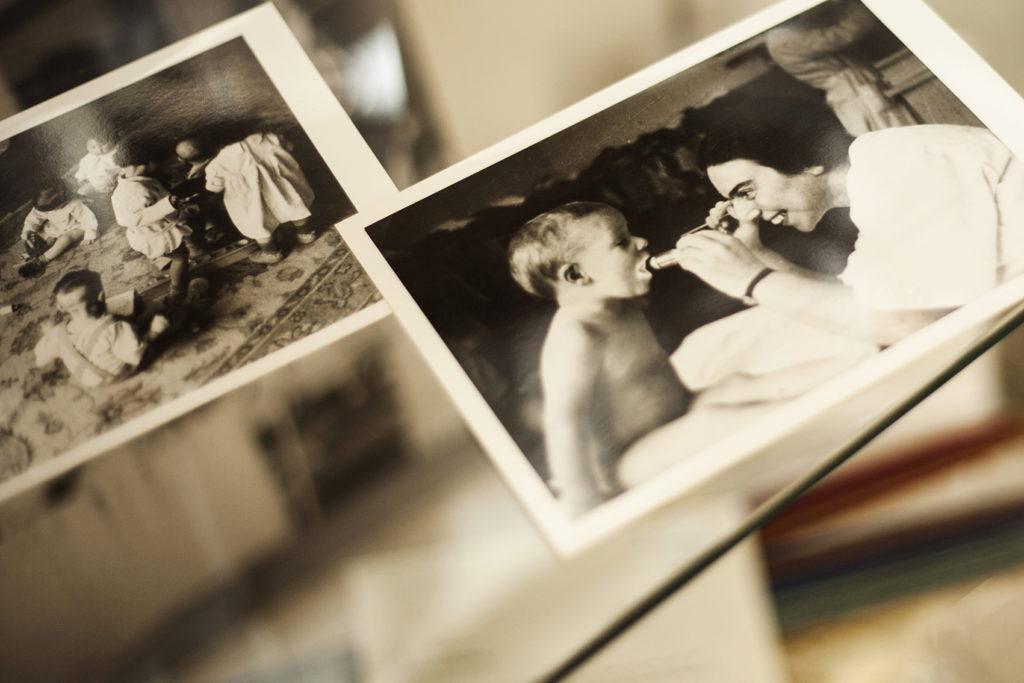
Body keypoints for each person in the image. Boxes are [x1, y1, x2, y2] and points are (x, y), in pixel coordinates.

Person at [672, 94, 1024, 347]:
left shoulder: (901, 163)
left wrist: (749, 279)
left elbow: (919, 327)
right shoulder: (873, 180)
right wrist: (755, 254)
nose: (748, 212)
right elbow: (859, 302)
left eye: (746, 191)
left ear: (806, 157)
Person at [508, 201, 689, 517]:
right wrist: (582, 501)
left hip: (674, 421)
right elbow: (564, 422)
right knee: (716, 421)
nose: (641, 242)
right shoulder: (579, 335)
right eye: (621, 241)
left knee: (742, 386)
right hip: (629, 459)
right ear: (577, 275)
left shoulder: (621, 305)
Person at [175, 133, 317, 264]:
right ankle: (306, 234)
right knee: (295, 206)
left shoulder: (216, 165)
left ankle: (271, 253)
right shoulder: (264, 138)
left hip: (250, 199)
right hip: (281, 188)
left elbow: (214, 188)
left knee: (257, 222)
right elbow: (290, 146)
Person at [34, 270, 169, 387]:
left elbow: (40, 359)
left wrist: (51, 334)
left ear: (60, 307)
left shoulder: (58, 333)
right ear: (102, 296)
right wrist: (153, 333)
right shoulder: (114, 327)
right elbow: (135, 355)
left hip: (85, 378)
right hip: (114, 376)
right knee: (170, 319)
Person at [110, 149, 207, 303]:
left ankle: (173, 270)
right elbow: (137, 218)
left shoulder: (125, 182)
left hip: (146, 233)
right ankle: (177, 289)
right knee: (181, 257)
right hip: (155, 235)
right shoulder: (138, 190)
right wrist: (171, 207)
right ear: (147, 163)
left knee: (177, 252)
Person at [18, 184, 98, 278]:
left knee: (66, 239)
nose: (44, 212)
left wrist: (89, 235)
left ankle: (43, 260)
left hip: (77, 226)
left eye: (47, 211)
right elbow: (33, 219)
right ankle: (34, 250)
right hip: (58, 225)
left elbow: (87, 219)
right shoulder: (43, 206)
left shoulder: (75, 203)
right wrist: (28, 231)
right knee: (39, 234)